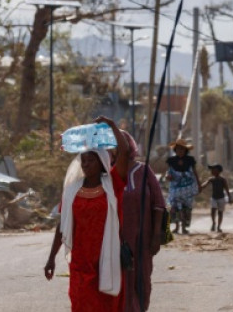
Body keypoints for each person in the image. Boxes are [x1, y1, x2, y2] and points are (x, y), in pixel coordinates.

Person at [45, 117, 131, 311]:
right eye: (83, 160)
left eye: (90, 160)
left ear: (101, 161)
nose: (85, 164)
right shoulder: (72, 190)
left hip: (107, 259)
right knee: (81, 303)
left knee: (105, 305)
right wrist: (51, 258)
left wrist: (112, 125)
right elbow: (63, 225)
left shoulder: (113, 184)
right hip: (81, 262)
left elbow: (125, 151)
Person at [104, 122, 165, 312]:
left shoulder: (144, 171)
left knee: (142, 280)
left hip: (143, 239)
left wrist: (156, 236)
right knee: (120, 283)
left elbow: (159, 205)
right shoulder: (107, 174)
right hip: (116, 240)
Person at [165, 138, 200, 234]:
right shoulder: (171, 160)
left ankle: (184, 227)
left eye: (182, 149)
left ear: (186, 150)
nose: (180, 151)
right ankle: (176, 227)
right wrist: (167, 176)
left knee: (186, 208)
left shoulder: (190, 160)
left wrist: (199, 184)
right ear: (175, 150)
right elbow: (168, 172)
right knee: (174, 207)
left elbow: (195, 173)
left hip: (188, 188)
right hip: (175, 188)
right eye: (178, 149)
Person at [200, 164, 232, 232]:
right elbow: (205, 184)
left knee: (220, 212)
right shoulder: (212, 179)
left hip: (221, 198)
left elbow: (226, 189)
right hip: (214, 197)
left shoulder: (222, 180)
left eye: (214, 170)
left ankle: (219, 226)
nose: (212, 171)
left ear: (218, 171)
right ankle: (213, 223)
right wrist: (200, 187)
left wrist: (229, 197)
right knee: (213, 210)